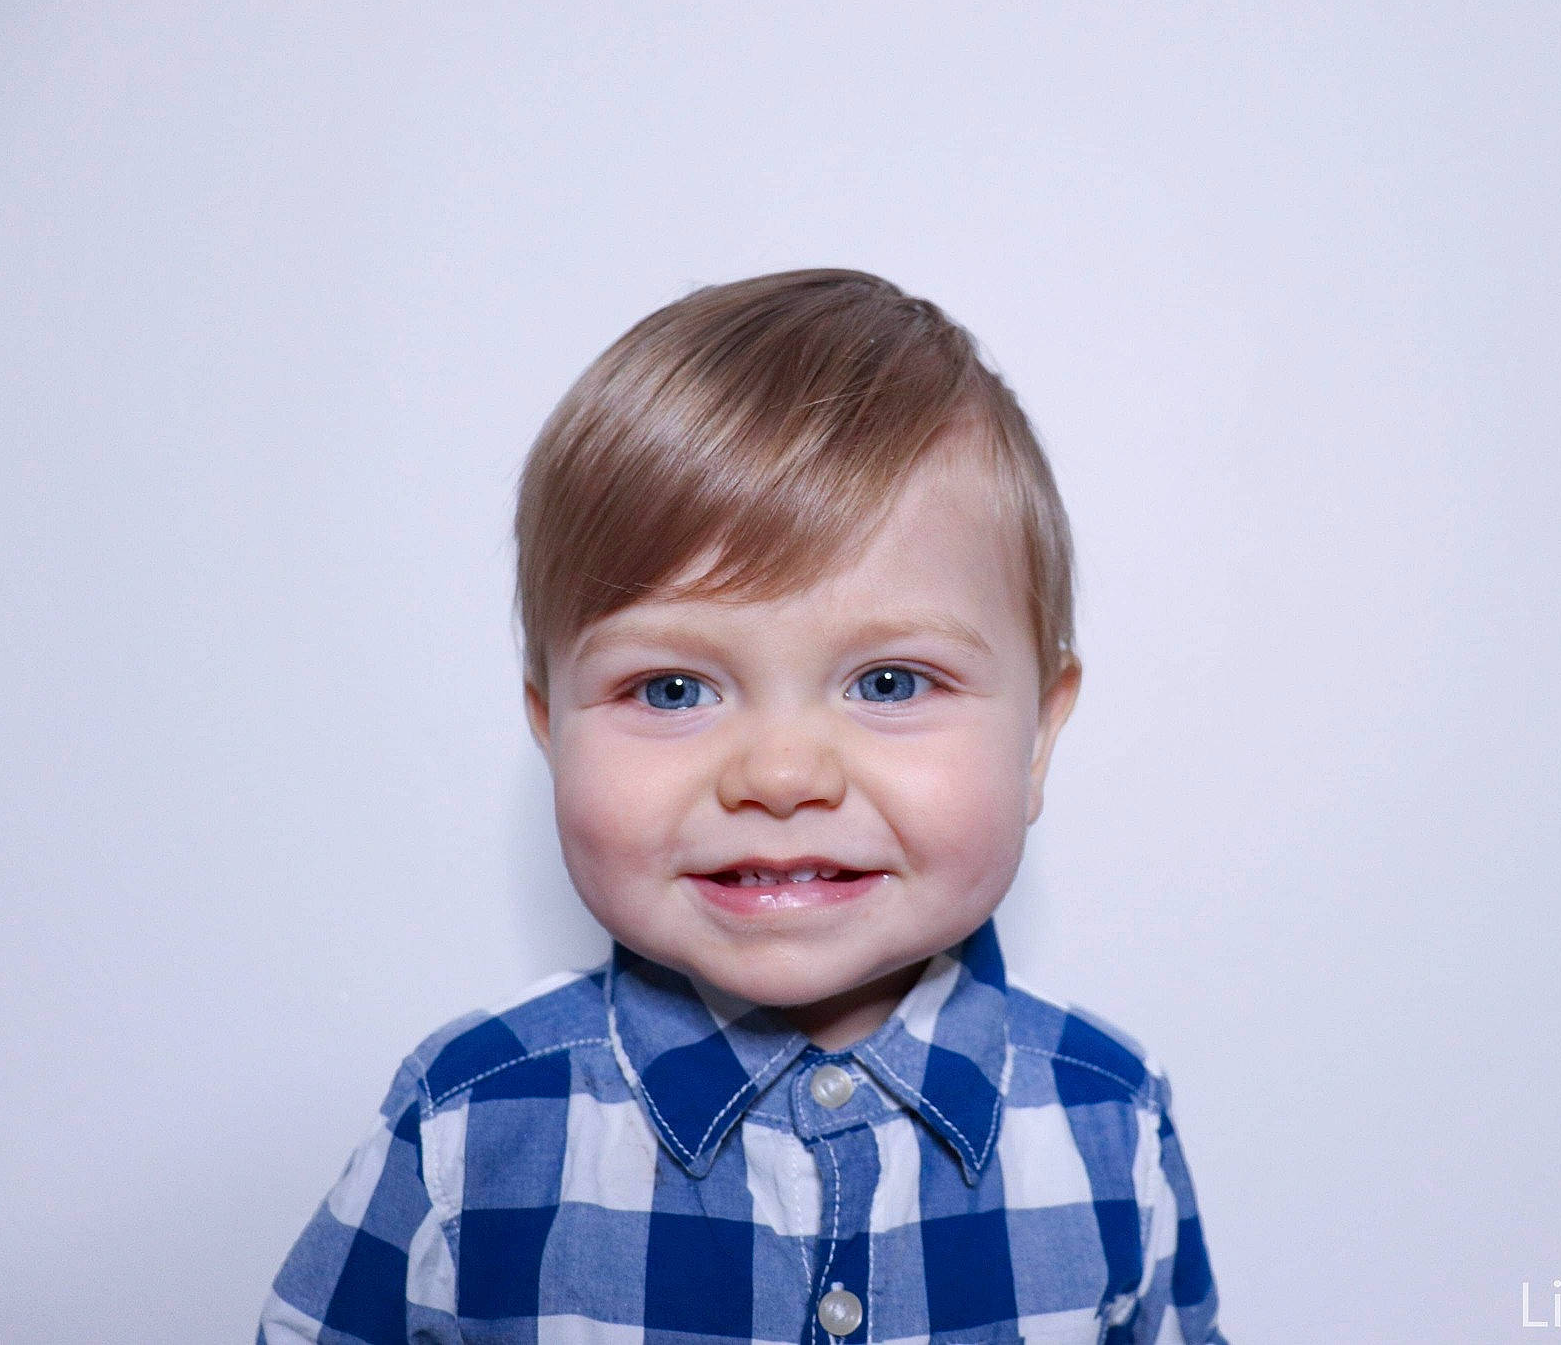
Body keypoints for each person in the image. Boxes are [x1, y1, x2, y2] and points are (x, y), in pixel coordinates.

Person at [258, 269, 1225, 1344]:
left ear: (1037, 736)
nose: (779, 772)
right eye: (672, 689)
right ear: (550, 727)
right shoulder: (469, 1125)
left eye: (889, 682)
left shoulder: (1109, 1119)